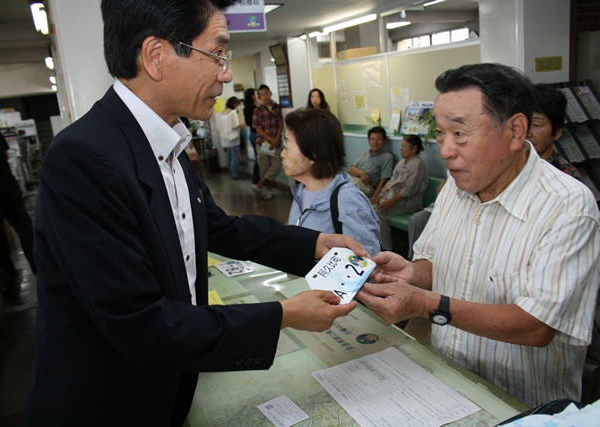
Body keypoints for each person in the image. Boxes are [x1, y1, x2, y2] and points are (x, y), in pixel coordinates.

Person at [25, 1, 364, 425]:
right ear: (156, 56)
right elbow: (142, 325)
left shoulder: (166, 141)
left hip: (170, 390)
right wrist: (283, 315)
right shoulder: (84, 159)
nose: (225, 73)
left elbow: (218, 228)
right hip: (109, 405)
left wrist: (315, 243)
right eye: (217, 54)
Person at [356, 63, 600, 408]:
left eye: (460, 133)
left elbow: (536, 326)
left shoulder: (567, 208)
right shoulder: (455, 190)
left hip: (520, 405)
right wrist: (410, 274)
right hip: (442, 380)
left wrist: (426, 304)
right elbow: (432, 262)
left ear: (516, 131)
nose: (445, 150)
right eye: (440, 133)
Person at [282, 108, 380, 256]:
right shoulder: (301, 192)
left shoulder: (348, 200)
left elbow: (367, 263)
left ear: (313, 153)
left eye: (287, 146)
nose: (283, 153)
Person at [0, 130, 36, 298]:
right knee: (26, 231)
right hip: (8, 189)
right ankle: (38, 266)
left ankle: (7, 271)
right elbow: (6, 154)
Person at [373, 134, 427, 251]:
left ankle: (386, 248)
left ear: (414, 148)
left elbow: (409, 190)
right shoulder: (401, 163)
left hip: (411, 203)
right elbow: (392, 181)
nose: (401, 149)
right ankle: (377, 242)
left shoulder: (418, 164)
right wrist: (380, 195)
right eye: (401, 146)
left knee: (380, 213)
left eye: (404, 146)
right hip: (396, 200)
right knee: (373, 208)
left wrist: (391, 202)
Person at [528, 84, 582, 181]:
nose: (527, 133)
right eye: (522, 124)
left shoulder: (567, 177)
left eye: (536, 125)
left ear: (557, 132)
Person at [252, 84, 282, 200]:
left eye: (266, 93)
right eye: (261, 95)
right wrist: (271, 140)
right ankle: (269, 191)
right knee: (264, 168)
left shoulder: (277, 108)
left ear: (270, 94)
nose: (264, 96)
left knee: (276, 167)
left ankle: (259, 185)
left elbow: (280, 124)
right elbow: (257, 128)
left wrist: (276, 139)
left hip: (276, 143)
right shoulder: (257, 110)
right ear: (259, 97)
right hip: (262, 143)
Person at [348, 126, 395, 200]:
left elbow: (383, 181)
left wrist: (374, 198)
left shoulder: (387, 157)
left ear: (384, 141)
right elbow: (351, 170)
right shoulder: (365, 154)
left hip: (367, 187)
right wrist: (361, 173)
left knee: (345, 193)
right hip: (353, 181)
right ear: (369, 141)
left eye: (378, 139)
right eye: (372, 139)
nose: (375, 142)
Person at [406, 178, 446, 259]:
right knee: (416, 219)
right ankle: (413, 257)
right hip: (439, 206)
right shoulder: (451, 179)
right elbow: (439, 193)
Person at [218, 96, 243, 180]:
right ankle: (234, 174)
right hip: (233, 138)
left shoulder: (223, 113)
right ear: (234, 104)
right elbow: (235, 125)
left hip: (225, 139)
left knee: (228, 157)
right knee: (234, 158)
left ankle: (231, 173)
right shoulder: (232, 113)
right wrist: (242, 123)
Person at [243, 87, 260, 184]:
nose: (257, 96)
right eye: (256, 94)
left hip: (251, 133)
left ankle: (256, 179)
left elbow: (247, 123)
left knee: (257, 157)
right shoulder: (255, 108)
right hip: (257, 134)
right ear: (252, 96)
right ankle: (256, 179)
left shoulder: (246, 108)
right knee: (259, 159)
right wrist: (258, 100)